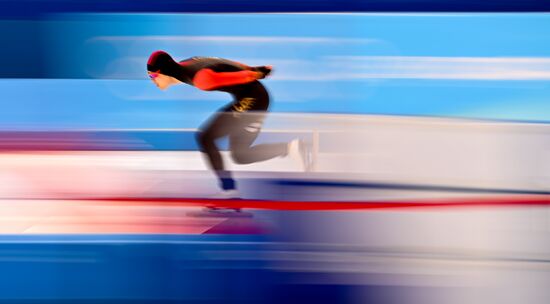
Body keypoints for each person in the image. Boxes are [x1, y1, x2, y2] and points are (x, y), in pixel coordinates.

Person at [146, 50, 311, 199]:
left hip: (254, 101)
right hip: (253, 97)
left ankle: (228, 191)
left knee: (206, 137)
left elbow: (236, 76)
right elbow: (226, 63)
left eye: (153, 76)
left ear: (164, 71)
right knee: (240, 155)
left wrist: (256, 73)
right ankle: (291, 148)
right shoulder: (189, 63)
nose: (152, 81)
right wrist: (253, 68)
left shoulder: (201, 79)